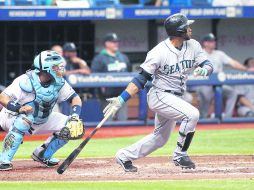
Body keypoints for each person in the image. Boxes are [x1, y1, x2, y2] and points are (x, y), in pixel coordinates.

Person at [103, 13, 213, 172]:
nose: (190, 29)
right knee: (192, 114)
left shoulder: (193, 45)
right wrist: (121, 99)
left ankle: (124, 155)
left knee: (160, 139)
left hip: (176, 96)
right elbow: (141, 79)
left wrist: (206, 70)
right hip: (160, 95)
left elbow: (207, 63)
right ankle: (180, 154)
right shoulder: (158, 52)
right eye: (187, 27)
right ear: (179, 31)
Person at [0, 50, 84, 171]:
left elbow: (75, 98)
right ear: (46, 67)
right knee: (25, 119)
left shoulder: (59, 82)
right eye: (56, 67)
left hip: (42, 118)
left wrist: (75, 116)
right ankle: (3, 159)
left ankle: (43, 154)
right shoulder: (25, 80)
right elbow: (2, 97)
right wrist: (19, 108)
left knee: (71, 125)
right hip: (12, 117)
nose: (60, 69)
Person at [197, 33, 247, 118]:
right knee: (204, 95)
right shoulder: (199, 53)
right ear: (205, 43)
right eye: (211, 41)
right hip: (205, 83)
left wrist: (246, 69)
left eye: (214, 41)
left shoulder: (219, 54)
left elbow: (233, 63)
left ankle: (227, 118)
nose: (213, 43)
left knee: (233, 92)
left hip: (219, 84)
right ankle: (202, 119)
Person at [91, 33, 131, 121]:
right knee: (107, 122)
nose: (116, 44)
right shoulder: (99, 58)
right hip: (107, 96)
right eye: (113, 42)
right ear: (107, 43)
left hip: (122, 94)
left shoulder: (123, 57)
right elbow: (94, 75)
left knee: (123, 122)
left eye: (117, 42)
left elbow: (129, 72)